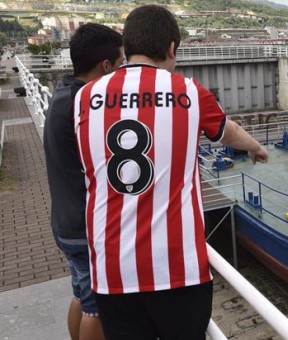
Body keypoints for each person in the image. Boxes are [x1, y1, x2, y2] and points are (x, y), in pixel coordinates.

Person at [73, 5, 268, 340]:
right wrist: (255, 147)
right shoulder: (190, 92)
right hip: (178, 272)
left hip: (113, 271)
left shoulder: (85, 96)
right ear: (171, 49)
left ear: (127, 48)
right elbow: (228, 131)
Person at [44, 23, 123, 340]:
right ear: (105, 66)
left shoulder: (64, 94)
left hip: (64, 220)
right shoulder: (84, 105)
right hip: (83, 226)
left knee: (81, 294)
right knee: (96, 309)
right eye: (119, 66)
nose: (121, 73)